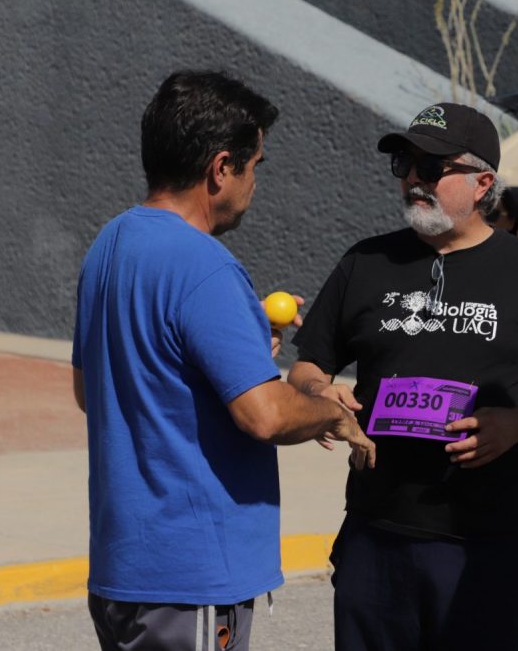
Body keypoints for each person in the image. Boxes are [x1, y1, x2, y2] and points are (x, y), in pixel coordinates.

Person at [72, 71, 374, 651]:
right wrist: (330, 412)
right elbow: (265, 415)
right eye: (254, 165)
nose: (255, 182)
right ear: (220, 168)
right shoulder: (205, 266)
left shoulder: (108, 245)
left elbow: (95, 391)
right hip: (189, 575)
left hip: (121, 568)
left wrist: (233, 347)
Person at [287, 102, 518, 651]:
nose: (413, 179)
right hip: (377, 534)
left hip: (488, 544)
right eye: (404, 165)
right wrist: (318, 394)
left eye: (431, 167)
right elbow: (308, 366)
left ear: (483, 184)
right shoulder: (366, 262)